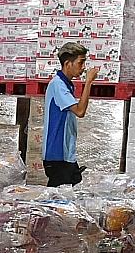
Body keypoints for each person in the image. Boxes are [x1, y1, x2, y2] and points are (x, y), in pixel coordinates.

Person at [42, 42, 101, 187]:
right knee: (58, 200)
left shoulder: (66, 84)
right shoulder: (58, 85)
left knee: (72, 190)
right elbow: (80, 111)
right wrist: (88, 82)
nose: (83, 68)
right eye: (81, 63)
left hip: (65, 153)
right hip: (57, 153)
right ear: (68, 63)